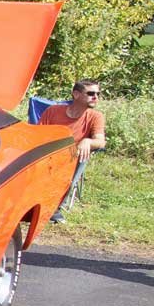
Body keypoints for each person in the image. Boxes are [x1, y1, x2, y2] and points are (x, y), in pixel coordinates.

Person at [38, 79, 106, 223]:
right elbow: (38, 135)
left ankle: (54, 206)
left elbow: (101, 141)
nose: (95, 97)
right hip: (48, 154)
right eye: (91, 93)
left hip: (72, 157)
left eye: (98, 94)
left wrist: (87, 141)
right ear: (76, 94)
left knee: (79, 157)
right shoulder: (53, 111)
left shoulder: (95, 117)